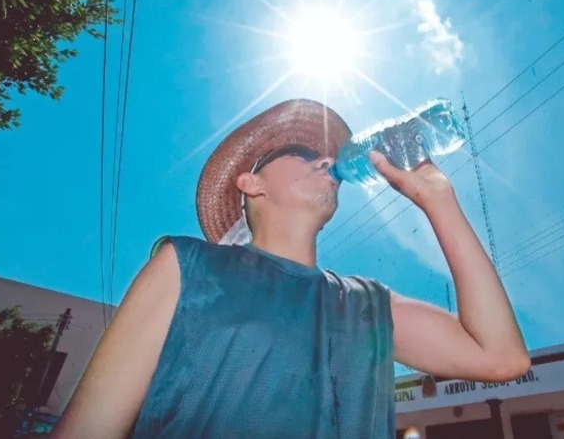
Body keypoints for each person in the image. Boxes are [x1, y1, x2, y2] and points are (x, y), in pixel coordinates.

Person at [51, 98, 530, 438]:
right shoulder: (188, 267)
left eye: (322, 152)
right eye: (299, 154)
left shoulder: (366, 303)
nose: (326, 158)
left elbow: (502, 358)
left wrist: (439, 200)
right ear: (251, 184)